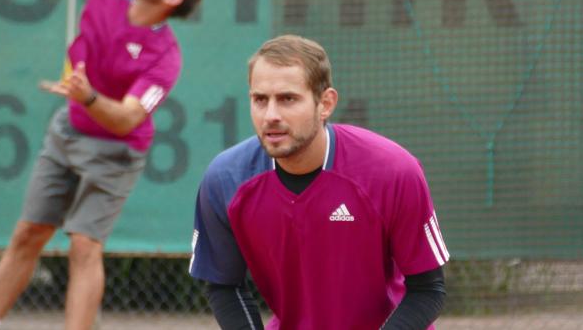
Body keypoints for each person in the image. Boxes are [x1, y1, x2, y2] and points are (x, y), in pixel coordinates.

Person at [0, 0, 204, 330]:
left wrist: (89, 96)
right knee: (29, 232)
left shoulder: (165, 57)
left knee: (84, 244)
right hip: (68, 130)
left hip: (116, 152)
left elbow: (129, 118)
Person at [190, 35, 449, 329]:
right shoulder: (225, 180)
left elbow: (428, 290)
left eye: (288, 99)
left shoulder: (394, 171)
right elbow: (225, 286)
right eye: (260, 99)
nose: (271, 115)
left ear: (325, 104)